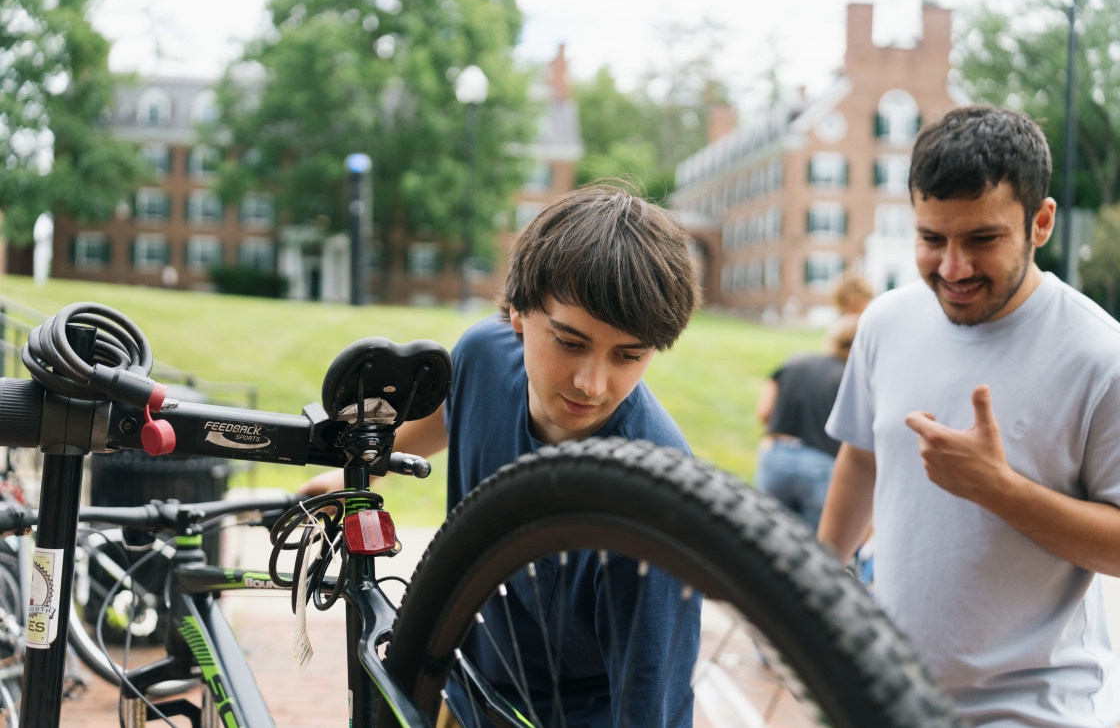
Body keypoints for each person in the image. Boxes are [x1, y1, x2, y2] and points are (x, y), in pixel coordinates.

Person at [303, 184, 702, 727]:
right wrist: (365, 470)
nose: (591, 383)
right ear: (517, 312)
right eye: (569, 341)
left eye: (628, 355)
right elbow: (452, 413)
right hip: (465, 687)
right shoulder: (481, 355)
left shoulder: (654, 499)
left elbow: (652, 703)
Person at [818, 104, 1120, 727]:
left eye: (982, 239)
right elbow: (863, 459)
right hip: (889, 694)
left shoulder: (1101, 356)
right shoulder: (884, 322)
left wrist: (999, 490)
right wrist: (806, 592)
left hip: (1034, 707)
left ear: (1041, 223)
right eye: (932, 239)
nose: (952, 268)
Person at [753, 314, 859, 530]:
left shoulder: (795, 361)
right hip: (821, 465)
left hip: (775, 457)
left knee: (763, 541)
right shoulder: (851, 379)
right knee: (811, 553)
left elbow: (764, 412)